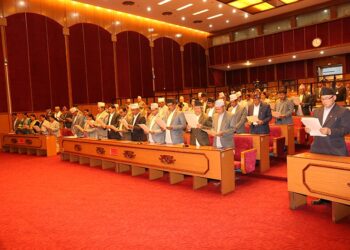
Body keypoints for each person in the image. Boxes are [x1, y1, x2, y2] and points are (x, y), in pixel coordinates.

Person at [305, 87, 350, 205]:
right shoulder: (316, 111)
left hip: (334, 149)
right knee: (320, 175)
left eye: (327, 98)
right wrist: (309, 129)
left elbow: (346, 129)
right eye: (322, 99)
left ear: (334, 97)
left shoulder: (343, 111)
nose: (324, 101)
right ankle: (323, 196)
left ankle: (338, 201)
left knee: (336, 178)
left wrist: (330, 131)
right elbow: (315, 127)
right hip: (318, 148)